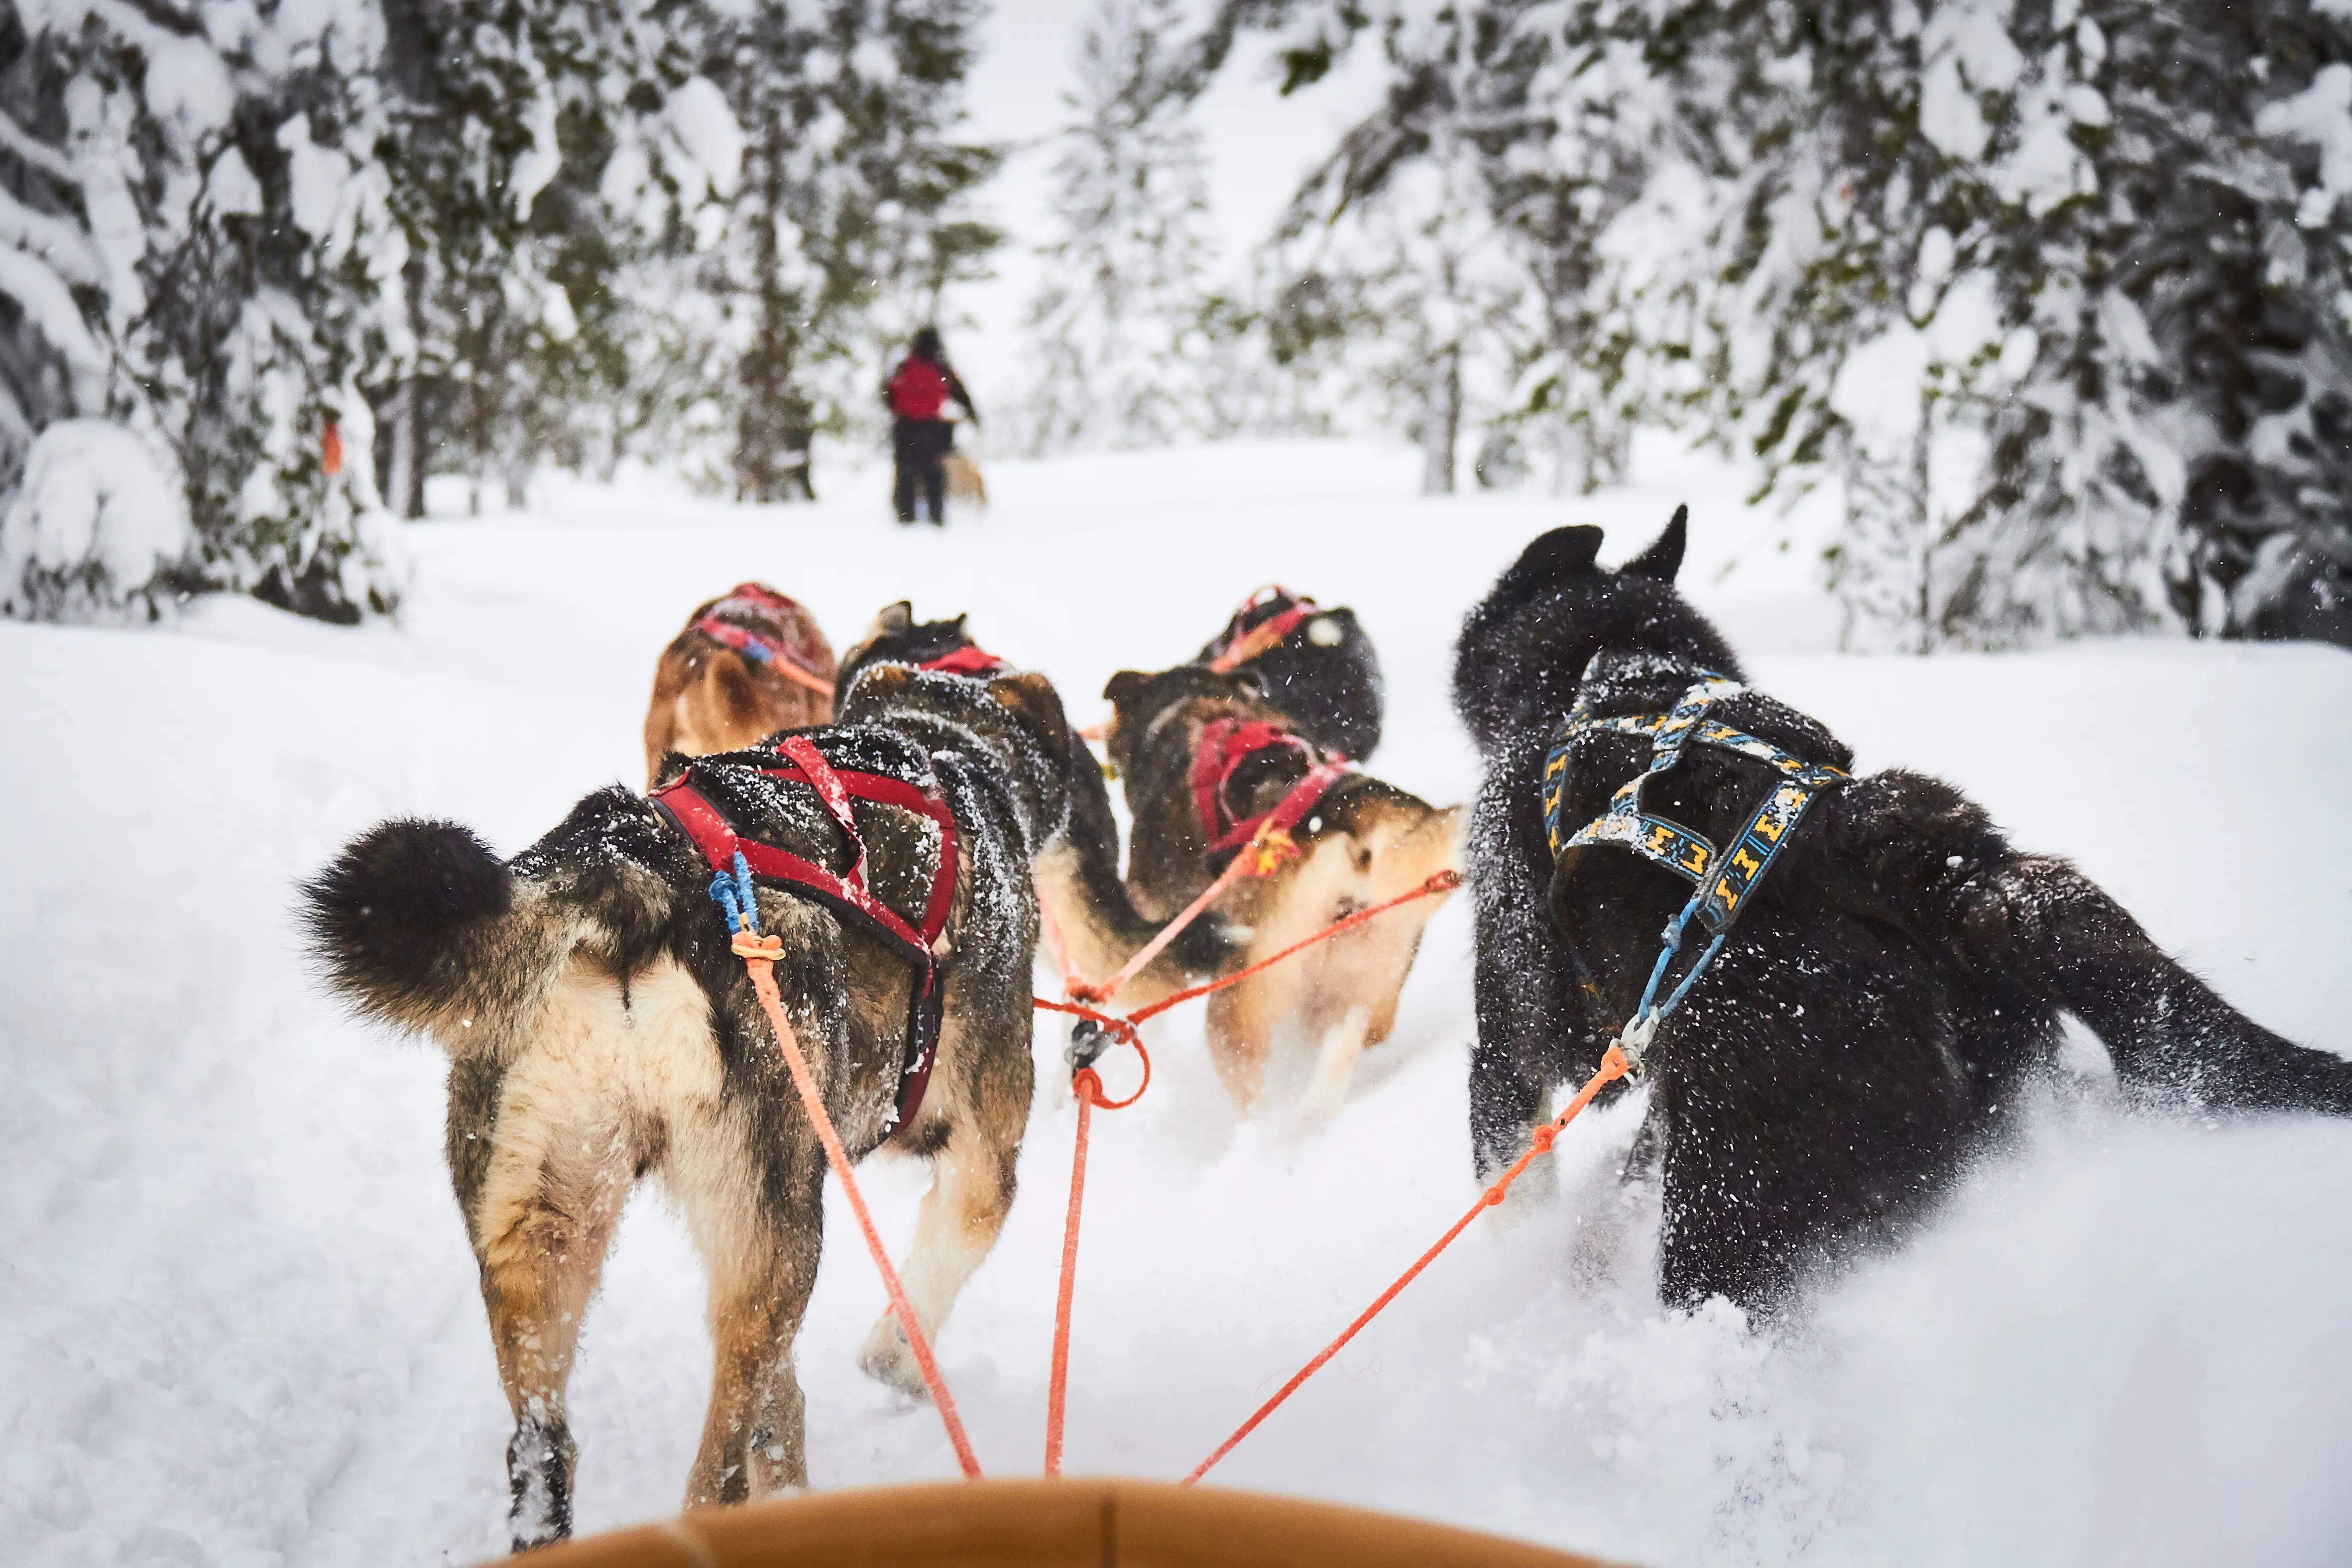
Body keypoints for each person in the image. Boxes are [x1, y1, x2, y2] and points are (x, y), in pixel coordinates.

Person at [882, 326, 978, 526]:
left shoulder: (904, 366)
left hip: (905, 428)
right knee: (934, 473)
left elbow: (888, 393)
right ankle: (937, 517)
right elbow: (959, 393)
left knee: (906, 474)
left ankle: (905, 518)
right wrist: (973, 415)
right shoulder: (941, 368)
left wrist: (896, 411)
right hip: (931, 429)